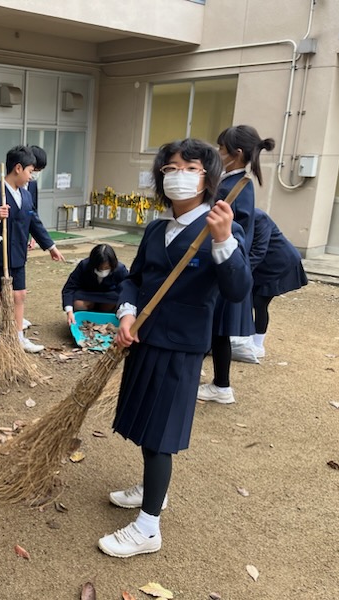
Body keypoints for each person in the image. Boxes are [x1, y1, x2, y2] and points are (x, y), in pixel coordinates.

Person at [98, 139, 252, 559]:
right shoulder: (156, 229)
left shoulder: (220, 227)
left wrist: (223, 240)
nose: (177, 176)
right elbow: (135, 279)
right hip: (145, 338)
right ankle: (154, 490)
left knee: (161, 433)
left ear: (208, 177)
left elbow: (238, 290)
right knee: (144, 421)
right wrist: (126, 314)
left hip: (181, 347)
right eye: (170, 168)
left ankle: (148, 528)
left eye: (189, 168)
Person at [198, 125, 275, 404]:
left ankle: (221, 386)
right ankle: (217, 383)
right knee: (216, 329)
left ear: (237, 153)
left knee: (217, 329)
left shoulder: (236, 187)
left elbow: (235, 231)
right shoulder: (235, 182)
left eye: (221, 148)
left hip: (223, 265)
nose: (218, 152)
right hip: (225, 264)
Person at [0, 145, 65, 353]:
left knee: (20, 294)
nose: (31, 177)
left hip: (18, 254)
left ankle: (17, 337)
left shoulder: (25, 196)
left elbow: (34, 222)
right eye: (30, 171)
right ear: (18, 168)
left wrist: (50, 246)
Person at [247, 208, 309, 357]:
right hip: (260, 264)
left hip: (279, 261)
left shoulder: (258, 217)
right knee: (248, 300)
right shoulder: (237, 217)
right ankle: (246, 340)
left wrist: (240, 271)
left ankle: (258, 345)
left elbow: (259, 249)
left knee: (259, 302)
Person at [61, 243, 128, 325]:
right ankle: (84, 319)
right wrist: (69, 311)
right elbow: (69, 288)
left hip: (108, 296)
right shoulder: (84, 266)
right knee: (78, 304)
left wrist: (126, 314)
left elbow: (127, 290)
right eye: (99, 268)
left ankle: (103, 318)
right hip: (87, 294)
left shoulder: (120, 269)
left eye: (107, 268)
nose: (103, 270)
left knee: (116, 301)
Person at [22, 144, 48, 328]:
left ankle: (17, 316)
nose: (35, 174)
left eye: (38, 171)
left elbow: (33, 211)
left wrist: (33, 236)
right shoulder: (8, 185)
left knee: (20, 281)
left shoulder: (32, 184)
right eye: (34, 170)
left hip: (25, 234)